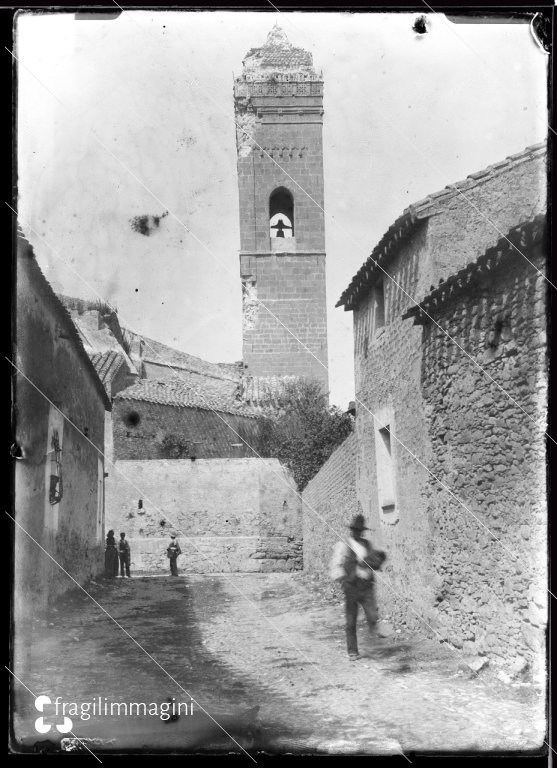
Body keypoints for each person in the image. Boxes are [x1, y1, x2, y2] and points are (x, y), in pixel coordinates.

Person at [329, 514, 386, 660]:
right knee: (351, 621)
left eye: (360, 530)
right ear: (351, 530)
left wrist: (376, 561)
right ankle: (353, 651)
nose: (357, 533)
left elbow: (374, 561)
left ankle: (374, 644)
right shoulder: (343, 545)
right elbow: (336, 565)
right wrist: (344, 580)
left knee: (372, 616)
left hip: (366, 586)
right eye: (355, 530)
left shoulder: (367, 544)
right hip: (352, 587)